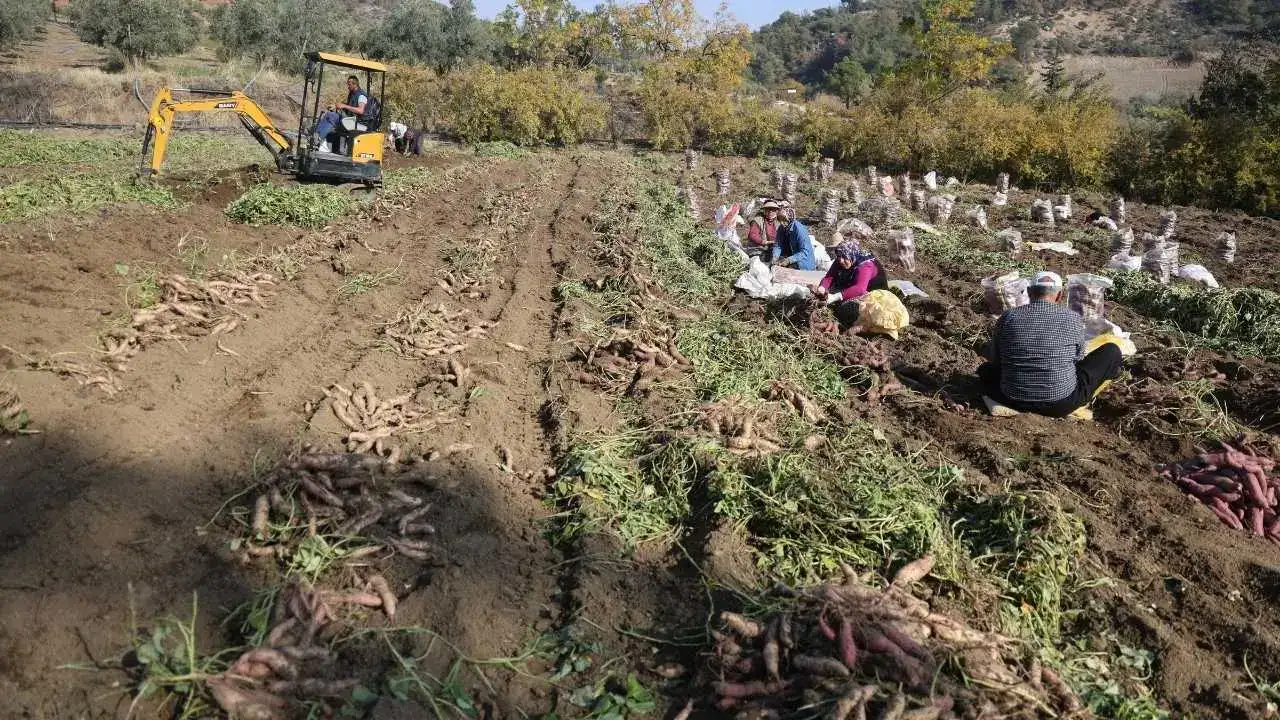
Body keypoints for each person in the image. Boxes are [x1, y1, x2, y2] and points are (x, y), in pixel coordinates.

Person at [978, 271, 1123, 418]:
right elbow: (1078, 359)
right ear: (1060, 295)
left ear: (1028, 292)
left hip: (1012, 399)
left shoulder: (1008, 317)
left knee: (985, 370)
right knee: (1112, 351)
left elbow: (996, 359)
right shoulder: (1073, 319)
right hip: (1061, 404)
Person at [811, 240, 889, 325]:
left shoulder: (865, 266)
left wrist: (836, 297)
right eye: (839, 256)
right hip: (853, 285)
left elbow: (860, 288)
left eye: (844, 256)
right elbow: (829, 277)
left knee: (847, 310)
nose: (841, 260)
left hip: (874, 294)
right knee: (829, 292)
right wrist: (822, 288)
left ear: (852, 255)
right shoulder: (840, 260)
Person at [314, 75, 370, 152]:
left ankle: (318, 140)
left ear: (355, 84)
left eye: (349, 85)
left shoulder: (361, 96)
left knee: (332, 116)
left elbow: (360, 110)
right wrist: (336, 106)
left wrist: (344, 106)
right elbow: (347, 107)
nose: (348, 87)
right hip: (351, 119)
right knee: (330, 114)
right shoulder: (352, 94)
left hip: (357, 122)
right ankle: (318, 136)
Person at [770, 203, 817, 271]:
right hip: (790, 255)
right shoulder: (781, 227)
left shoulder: (799, 229)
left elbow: (804, 252)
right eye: (780, 220)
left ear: (789, 218)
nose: (782, 223)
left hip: (803, 263)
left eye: (784, 219)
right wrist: (775, 257)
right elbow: (778, 244)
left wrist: (789, 260)